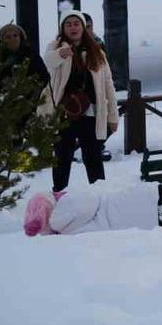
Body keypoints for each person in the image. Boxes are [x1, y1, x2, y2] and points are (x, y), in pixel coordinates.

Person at [38, 11, 116, 192]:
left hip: (90, 113)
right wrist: (61, 54)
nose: (73, 28)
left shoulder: (97, 52)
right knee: (62, 158)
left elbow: (108, 84)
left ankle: (99, 195)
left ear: (83, 27)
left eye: (76, 24)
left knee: (93, 157)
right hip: (63, 113)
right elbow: (48, 60)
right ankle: (58, 194)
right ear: (63, 28)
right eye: (69, 24)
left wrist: (113, 116)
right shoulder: (56, 47)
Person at [25, 183, 162, 237]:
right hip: (144, 202)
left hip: (143, 213)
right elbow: (90, 199)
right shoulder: (66, 208)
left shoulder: (67, 228)